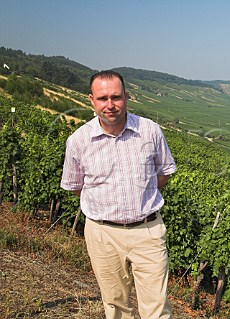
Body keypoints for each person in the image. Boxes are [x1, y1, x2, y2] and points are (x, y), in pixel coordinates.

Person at [61, 70, 176, 319]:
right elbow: (76, 186)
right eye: (103, 98)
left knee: (156, 308)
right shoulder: (78, 141)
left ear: (127, 96)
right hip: (102, 235)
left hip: (148, 232)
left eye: (116, 97)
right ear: (91, 100)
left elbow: (165, 171)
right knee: (115, 306)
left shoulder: (151, 131)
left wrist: (141, 197)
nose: (110, 105)